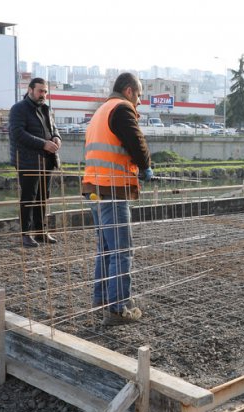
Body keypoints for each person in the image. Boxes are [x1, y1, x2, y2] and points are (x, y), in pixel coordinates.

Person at [82, 72, 153, 326]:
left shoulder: (102, 110)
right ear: (129, 91)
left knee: (106, 249)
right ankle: (118, 308)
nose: (140, 102)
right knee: (122, 250)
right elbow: (137, 142)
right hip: (112, 190)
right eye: (140, 95)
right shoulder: (122, 109)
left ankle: (102, 300)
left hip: (94, 188)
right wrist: (145, 167)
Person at [9, 77, 61, 248]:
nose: (43, 94)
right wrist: (43, 143)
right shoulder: (18, 109)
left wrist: (56, 138)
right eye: (40, 91)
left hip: (47, 160)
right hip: (27, 161)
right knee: (28, 197)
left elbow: (53, 129)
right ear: (30, 90)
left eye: (45, 91)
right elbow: (18, 133)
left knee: (43, 197)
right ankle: (25, 234)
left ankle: (40, 231)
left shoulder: (46, 109)